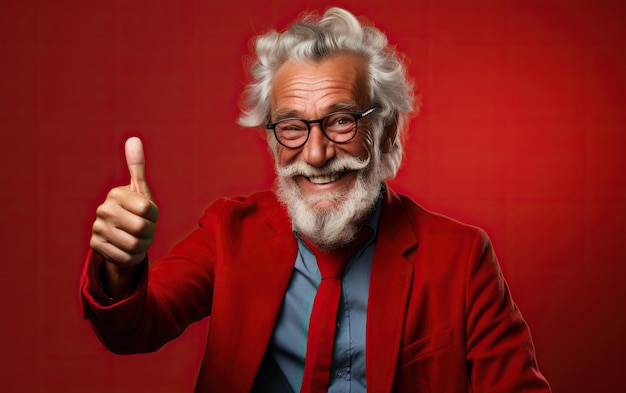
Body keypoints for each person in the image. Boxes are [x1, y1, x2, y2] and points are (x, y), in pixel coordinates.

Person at [81, 7, 551, 393]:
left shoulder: (462, 256)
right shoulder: (229, 231)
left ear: (385, 131)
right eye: (292, 127)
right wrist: (119, 264)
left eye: (341, 121)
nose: (316, 152)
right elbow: (134, 330)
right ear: (272, 140)